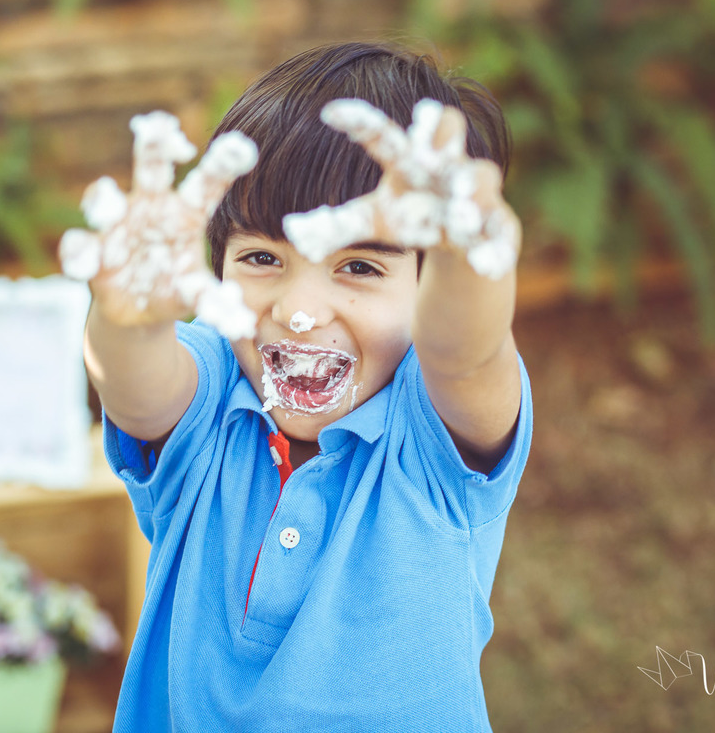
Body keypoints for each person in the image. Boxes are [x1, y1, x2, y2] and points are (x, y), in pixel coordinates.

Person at [81, 42, 533, 732]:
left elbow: (465, 350)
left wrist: (470, 255)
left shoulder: (432, 432)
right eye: (262, 257)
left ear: (427, 284)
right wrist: (126, 318)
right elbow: (137, 386)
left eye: (360, 267)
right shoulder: (213, 394)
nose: (299, 310)